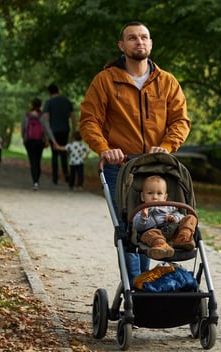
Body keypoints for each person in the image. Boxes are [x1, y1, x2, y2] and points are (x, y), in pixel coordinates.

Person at [79, 21, 191, 287]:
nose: (139, 42)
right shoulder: (105, 80)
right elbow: (89, 120)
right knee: (129, 231)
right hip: (121, 166)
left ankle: (141, 286)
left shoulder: (167, 82)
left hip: (157, 167)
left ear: (151, 44)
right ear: (122, 46)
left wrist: (166, 146)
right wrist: (105, 148)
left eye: (144, 37)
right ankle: (137, 289)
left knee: (157, 224)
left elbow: (180, 121)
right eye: (132, 38)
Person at [132, 174, 198, 259]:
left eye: (159, 193)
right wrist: (143, 217)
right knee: (148, 234)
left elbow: (181, 216)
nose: (155, 197)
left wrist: (175, 218)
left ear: (165, 197)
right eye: (150, 193)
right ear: (142, 196)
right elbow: (136, 227)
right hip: (155, 233)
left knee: (191, 217)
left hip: (175, 233)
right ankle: (162, 246)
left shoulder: (170, 207)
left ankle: (183, 238)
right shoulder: (142, 210)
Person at [42, 83, 77, 186]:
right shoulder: (66, 102)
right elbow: (73, 117)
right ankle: (66, 175)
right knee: (63, 153)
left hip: (53, 131)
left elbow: (46, 118)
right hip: (65, 130)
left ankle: (55, 178)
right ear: (58, 91)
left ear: (49, 93)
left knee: (54, 154)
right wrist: (73, 131)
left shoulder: (49, 103)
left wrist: (45, 134)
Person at [22, 98, 47, 190]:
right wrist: (49, 139)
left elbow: (23, 128)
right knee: (38, 160)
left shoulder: (26, 115)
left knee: (32, 161)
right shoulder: (42, 116)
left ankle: (34, 182)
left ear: (32, 105)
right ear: (40, 105)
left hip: (29, 141)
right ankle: (37, 181)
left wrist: (23, 138)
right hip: (39, 141)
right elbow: (46, 129)